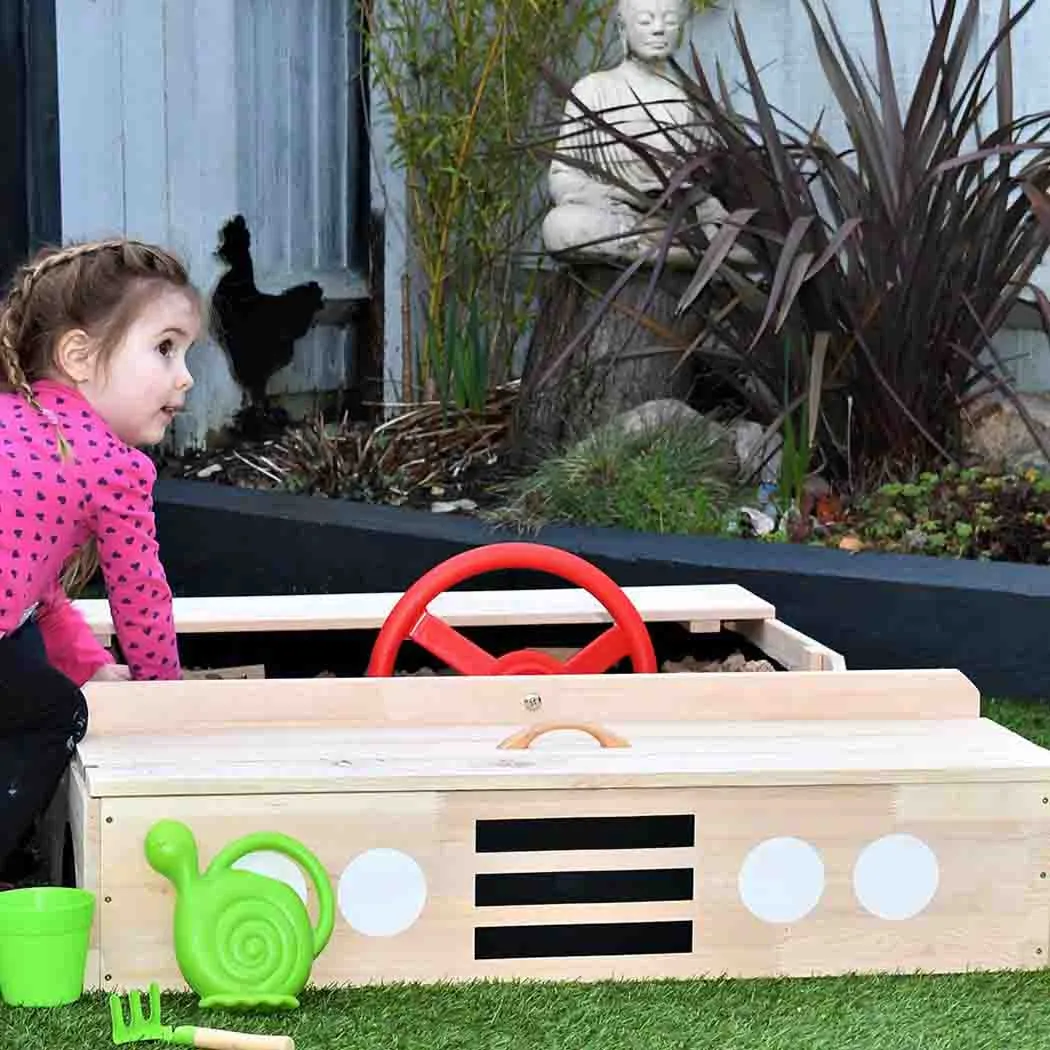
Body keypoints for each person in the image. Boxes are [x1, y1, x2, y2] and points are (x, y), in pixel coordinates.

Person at [0, 238, 199, 882]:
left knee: (27, 665)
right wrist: (161, 698)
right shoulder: (112, 466)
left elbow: (37, 595)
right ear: (79, 356)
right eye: (165, 348)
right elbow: (141, 597)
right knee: (55, 714)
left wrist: (92, 666)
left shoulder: (16, 421)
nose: (185, 376)